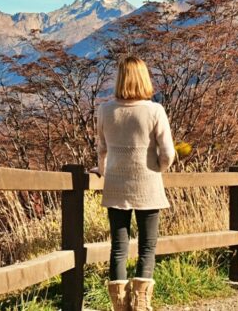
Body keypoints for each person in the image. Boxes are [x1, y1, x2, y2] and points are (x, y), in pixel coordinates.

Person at [96, 55, 176, 311]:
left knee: (118, 248)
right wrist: (157, 169)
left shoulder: (105, 110)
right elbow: (168, 153)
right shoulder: (154, 110)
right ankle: (141, 302)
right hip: (148, 185)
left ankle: (119, 304)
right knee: (147, 246)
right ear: (144, 78)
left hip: (116, 185)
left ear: (120, 78)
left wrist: (101, 170)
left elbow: (102, 149)